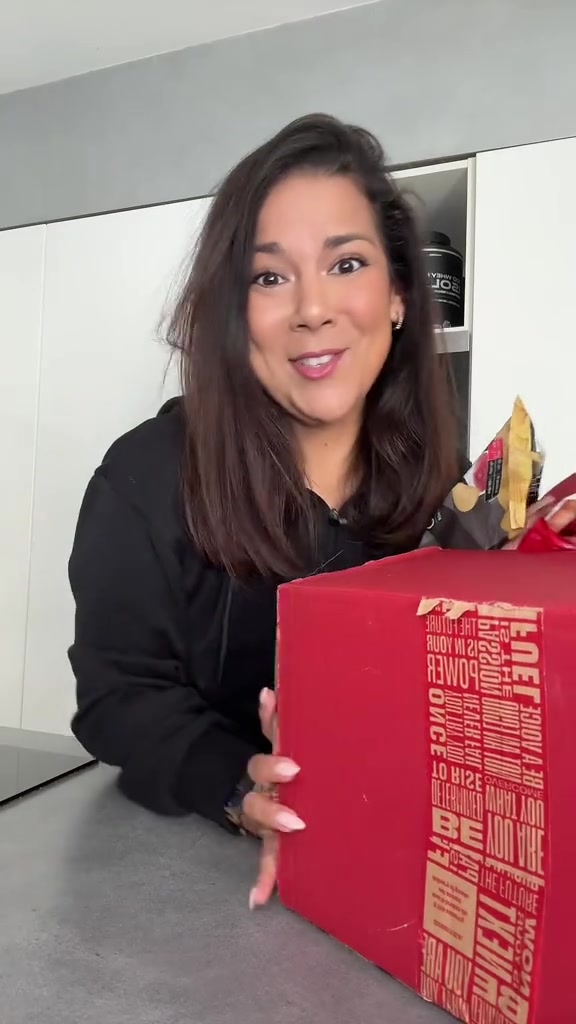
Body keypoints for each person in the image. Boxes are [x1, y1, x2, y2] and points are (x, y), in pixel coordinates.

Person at [68, 114, 574, 911]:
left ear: (399, 295)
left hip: (392, 871)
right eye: (270, 278)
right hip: (187, 882)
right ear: (234, 314)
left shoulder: (447, 492)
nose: (313, 308)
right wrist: (240, 786)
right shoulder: (144, 476)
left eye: (346, 264)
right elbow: (116, 697)